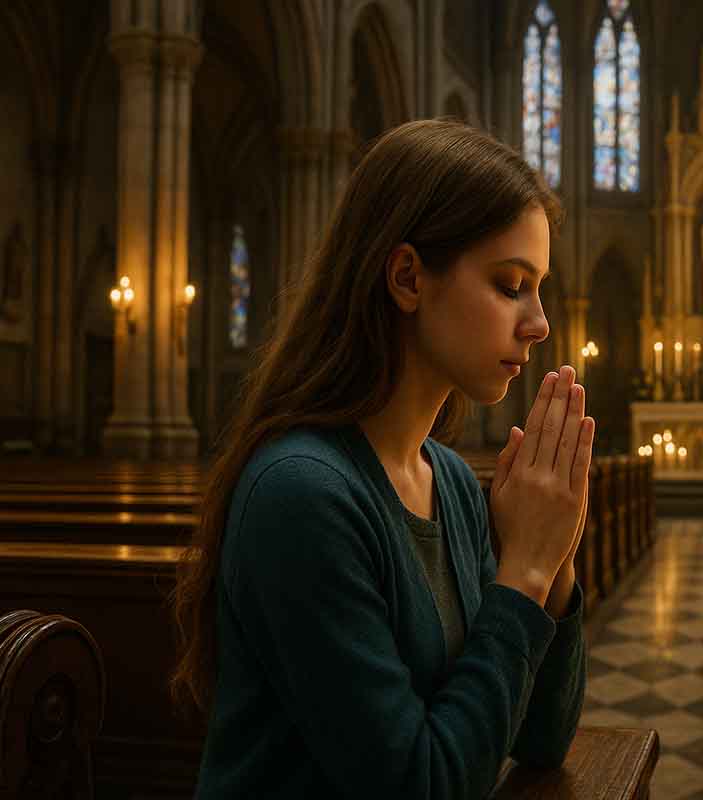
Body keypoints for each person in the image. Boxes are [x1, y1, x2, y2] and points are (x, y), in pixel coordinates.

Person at [169, 119, 594, 799]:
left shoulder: (449, 481)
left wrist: (556, 554)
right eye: (512, 284)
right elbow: (418, 786)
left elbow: (539, 736)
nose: (540, 322)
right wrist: (525, 571)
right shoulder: (301, 496)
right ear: (406, 277)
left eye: (538, 287)